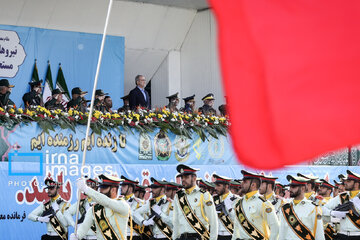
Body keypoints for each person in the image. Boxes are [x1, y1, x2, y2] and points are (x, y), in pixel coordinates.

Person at [70, 174, 130, 240]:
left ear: (113, 190)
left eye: (104, 188)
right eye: (100, 187)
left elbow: (107, 202)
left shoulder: (123, 205)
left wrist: (86, 189)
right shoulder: (94, 208)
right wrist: (77, 235)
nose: (100, 190)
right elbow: (84, 226)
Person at [172, 164, 218, 240]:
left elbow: (213, 221)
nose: (183, 179)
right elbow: (176, 221)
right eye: (182, 177)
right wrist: (174, 238)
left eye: (186, 177)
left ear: (194, 178)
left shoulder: (204, 195)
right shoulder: (178, 196)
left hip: (198, 237)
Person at [232, 170, 279, 240]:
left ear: (253, 185)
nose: (241, 184)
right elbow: (236, 228)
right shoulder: (238, 203)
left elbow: (276, 228)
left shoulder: (264, 203)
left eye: (245, 182)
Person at [278, 175, 325, 240]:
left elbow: (319, 233)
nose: (290, 189)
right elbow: (282, 233)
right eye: (290, 186)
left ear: (303, 188)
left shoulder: (313, 208)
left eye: (293, 187)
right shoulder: (285, 208)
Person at [323, 170, 360, 240]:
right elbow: (322, 208)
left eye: (348, 181)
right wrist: (332, 213)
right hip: (342, 235)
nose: (345, 183)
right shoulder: (341, 197)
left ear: (356, 184)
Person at [212, 174, 238, 240]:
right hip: (217, 235)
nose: (215, 188)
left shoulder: (236, 199)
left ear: (226, 186)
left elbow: (237, 219)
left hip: (231, 235)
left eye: (218, 186)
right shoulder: (213, 199)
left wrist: (229, 208)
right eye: (216, 185)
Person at [120, 175, 144, 240]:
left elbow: (142, 222)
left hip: (134, 235)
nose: (121, 188)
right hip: (121, 235)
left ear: (130, 188)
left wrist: (128, 208)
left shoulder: (140, 203)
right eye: (121, 186)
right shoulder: (119, 201)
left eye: (124, 186)